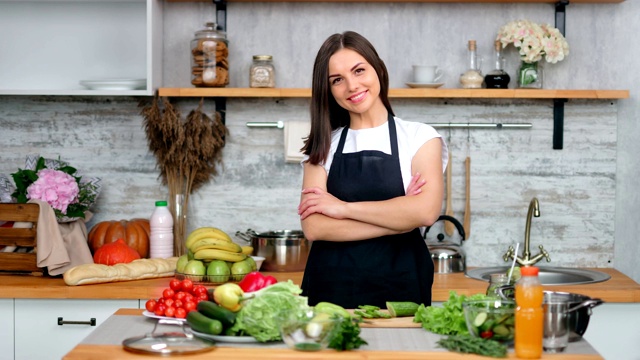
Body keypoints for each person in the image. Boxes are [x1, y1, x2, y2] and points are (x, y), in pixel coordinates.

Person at [297, 31, 449, 309]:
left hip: (402, 287)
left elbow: (426, 212)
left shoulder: (420, 137)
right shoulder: (323, 145)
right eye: (337, 80)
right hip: (330, 288)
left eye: (359, 70)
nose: (352, 86)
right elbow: (315, 227)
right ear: (328, 89)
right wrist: (400, 219)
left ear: (377, 68)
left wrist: (341, 209)